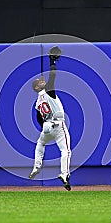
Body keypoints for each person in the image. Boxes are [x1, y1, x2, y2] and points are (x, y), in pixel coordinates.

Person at [29, 47, 72, 191]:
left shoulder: (37, 101)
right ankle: (65, 174)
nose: (42, 81)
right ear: (36, 87)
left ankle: (36, 166)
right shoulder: (48, 91)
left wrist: (44, 126)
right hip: (59, 126)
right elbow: (53, 75)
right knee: (66, 151)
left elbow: (37, 117)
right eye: (39, 82)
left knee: (40, 144)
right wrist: (52, 61)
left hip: (47, 128)